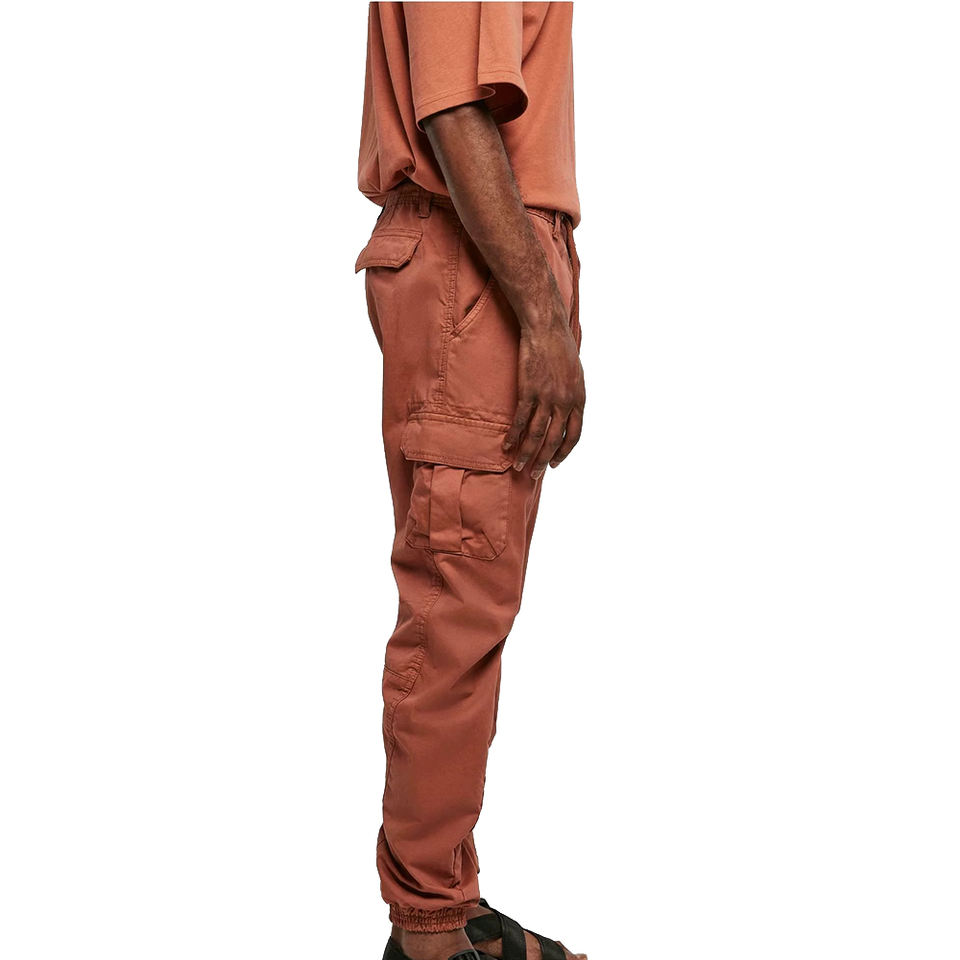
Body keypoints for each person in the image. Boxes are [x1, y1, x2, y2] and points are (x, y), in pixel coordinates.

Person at [356, 5, 586, 959]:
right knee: (457, 607)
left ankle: (445, 896)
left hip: (483, 254)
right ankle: (427, 934)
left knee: (471, 604)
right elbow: (453, 109)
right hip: (478, 261)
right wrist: (543, 315)